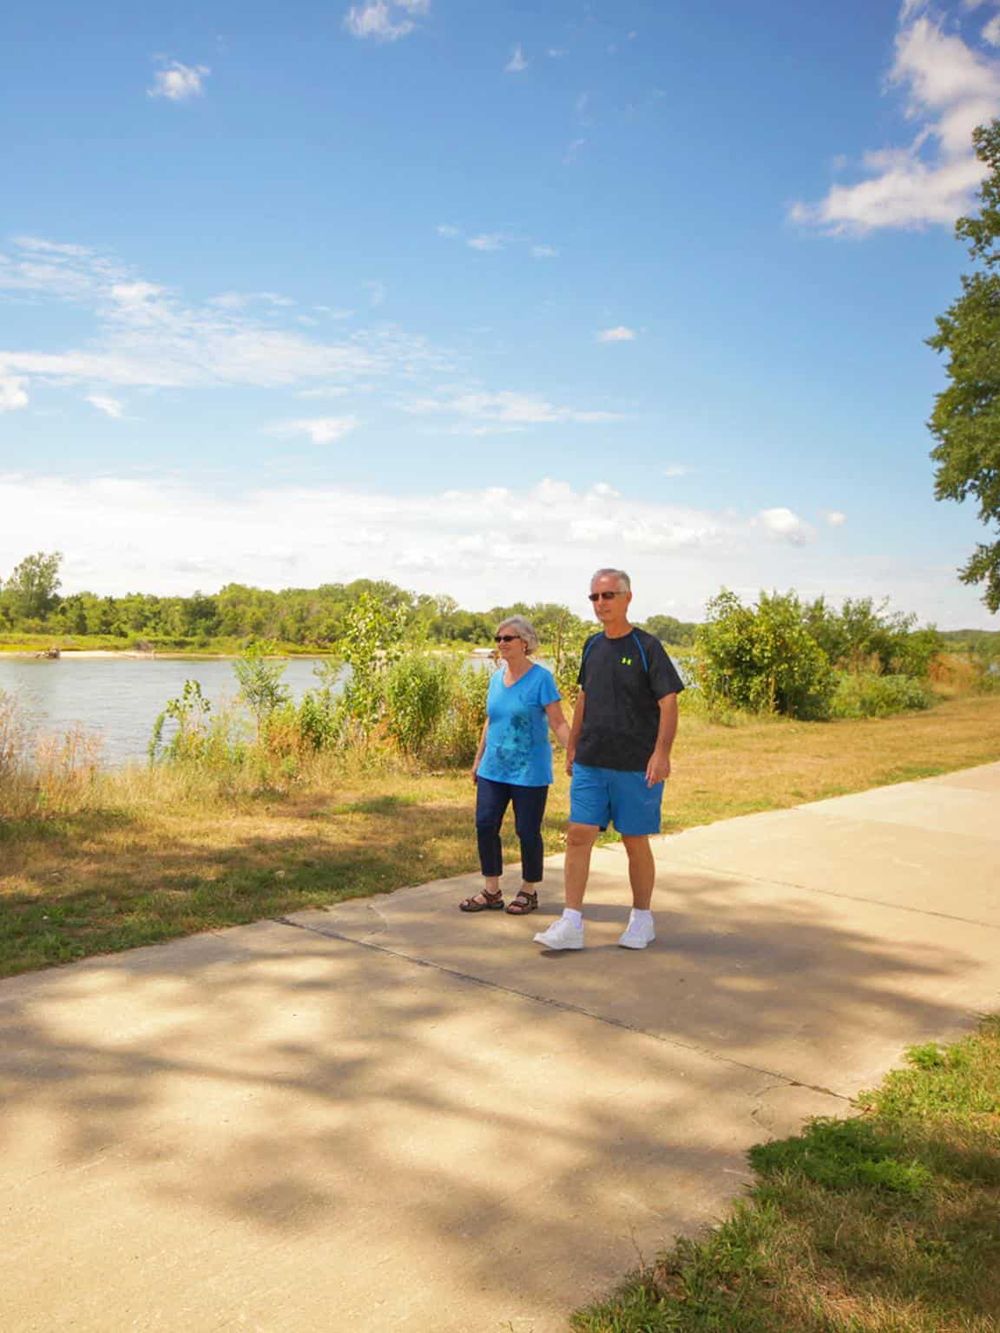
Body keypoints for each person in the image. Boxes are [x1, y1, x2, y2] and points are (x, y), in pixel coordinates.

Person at [533, 568, 684, 951]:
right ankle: (571, 923)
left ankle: (642, 919)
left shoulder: (647, 648)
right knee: (579, 834)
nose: (600, 604)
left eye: (608, 596)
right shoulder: (591, 646)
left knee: (634, 840)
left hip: (636, 763)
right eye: (595, 598)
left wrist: (661, 753)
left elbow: (668, 702)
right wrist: (573, 746)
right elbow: (584, 697)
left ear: (627, 598)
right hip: (592, 760)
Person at [459, 615, 570, 916]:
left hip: (529, 771)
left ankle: (528, 890)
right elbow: (491, 720)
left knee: (527, 830)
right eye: (497, 638)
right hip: (493, 768)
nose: (501, 644)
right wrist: (478, 759)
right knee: (485, 825)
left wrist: (574, 753)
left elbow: (558, 722)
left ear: (525, 643)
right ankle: (492, 891)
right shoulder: (496, 678)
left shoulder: (541, 679)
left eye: (507, 638)